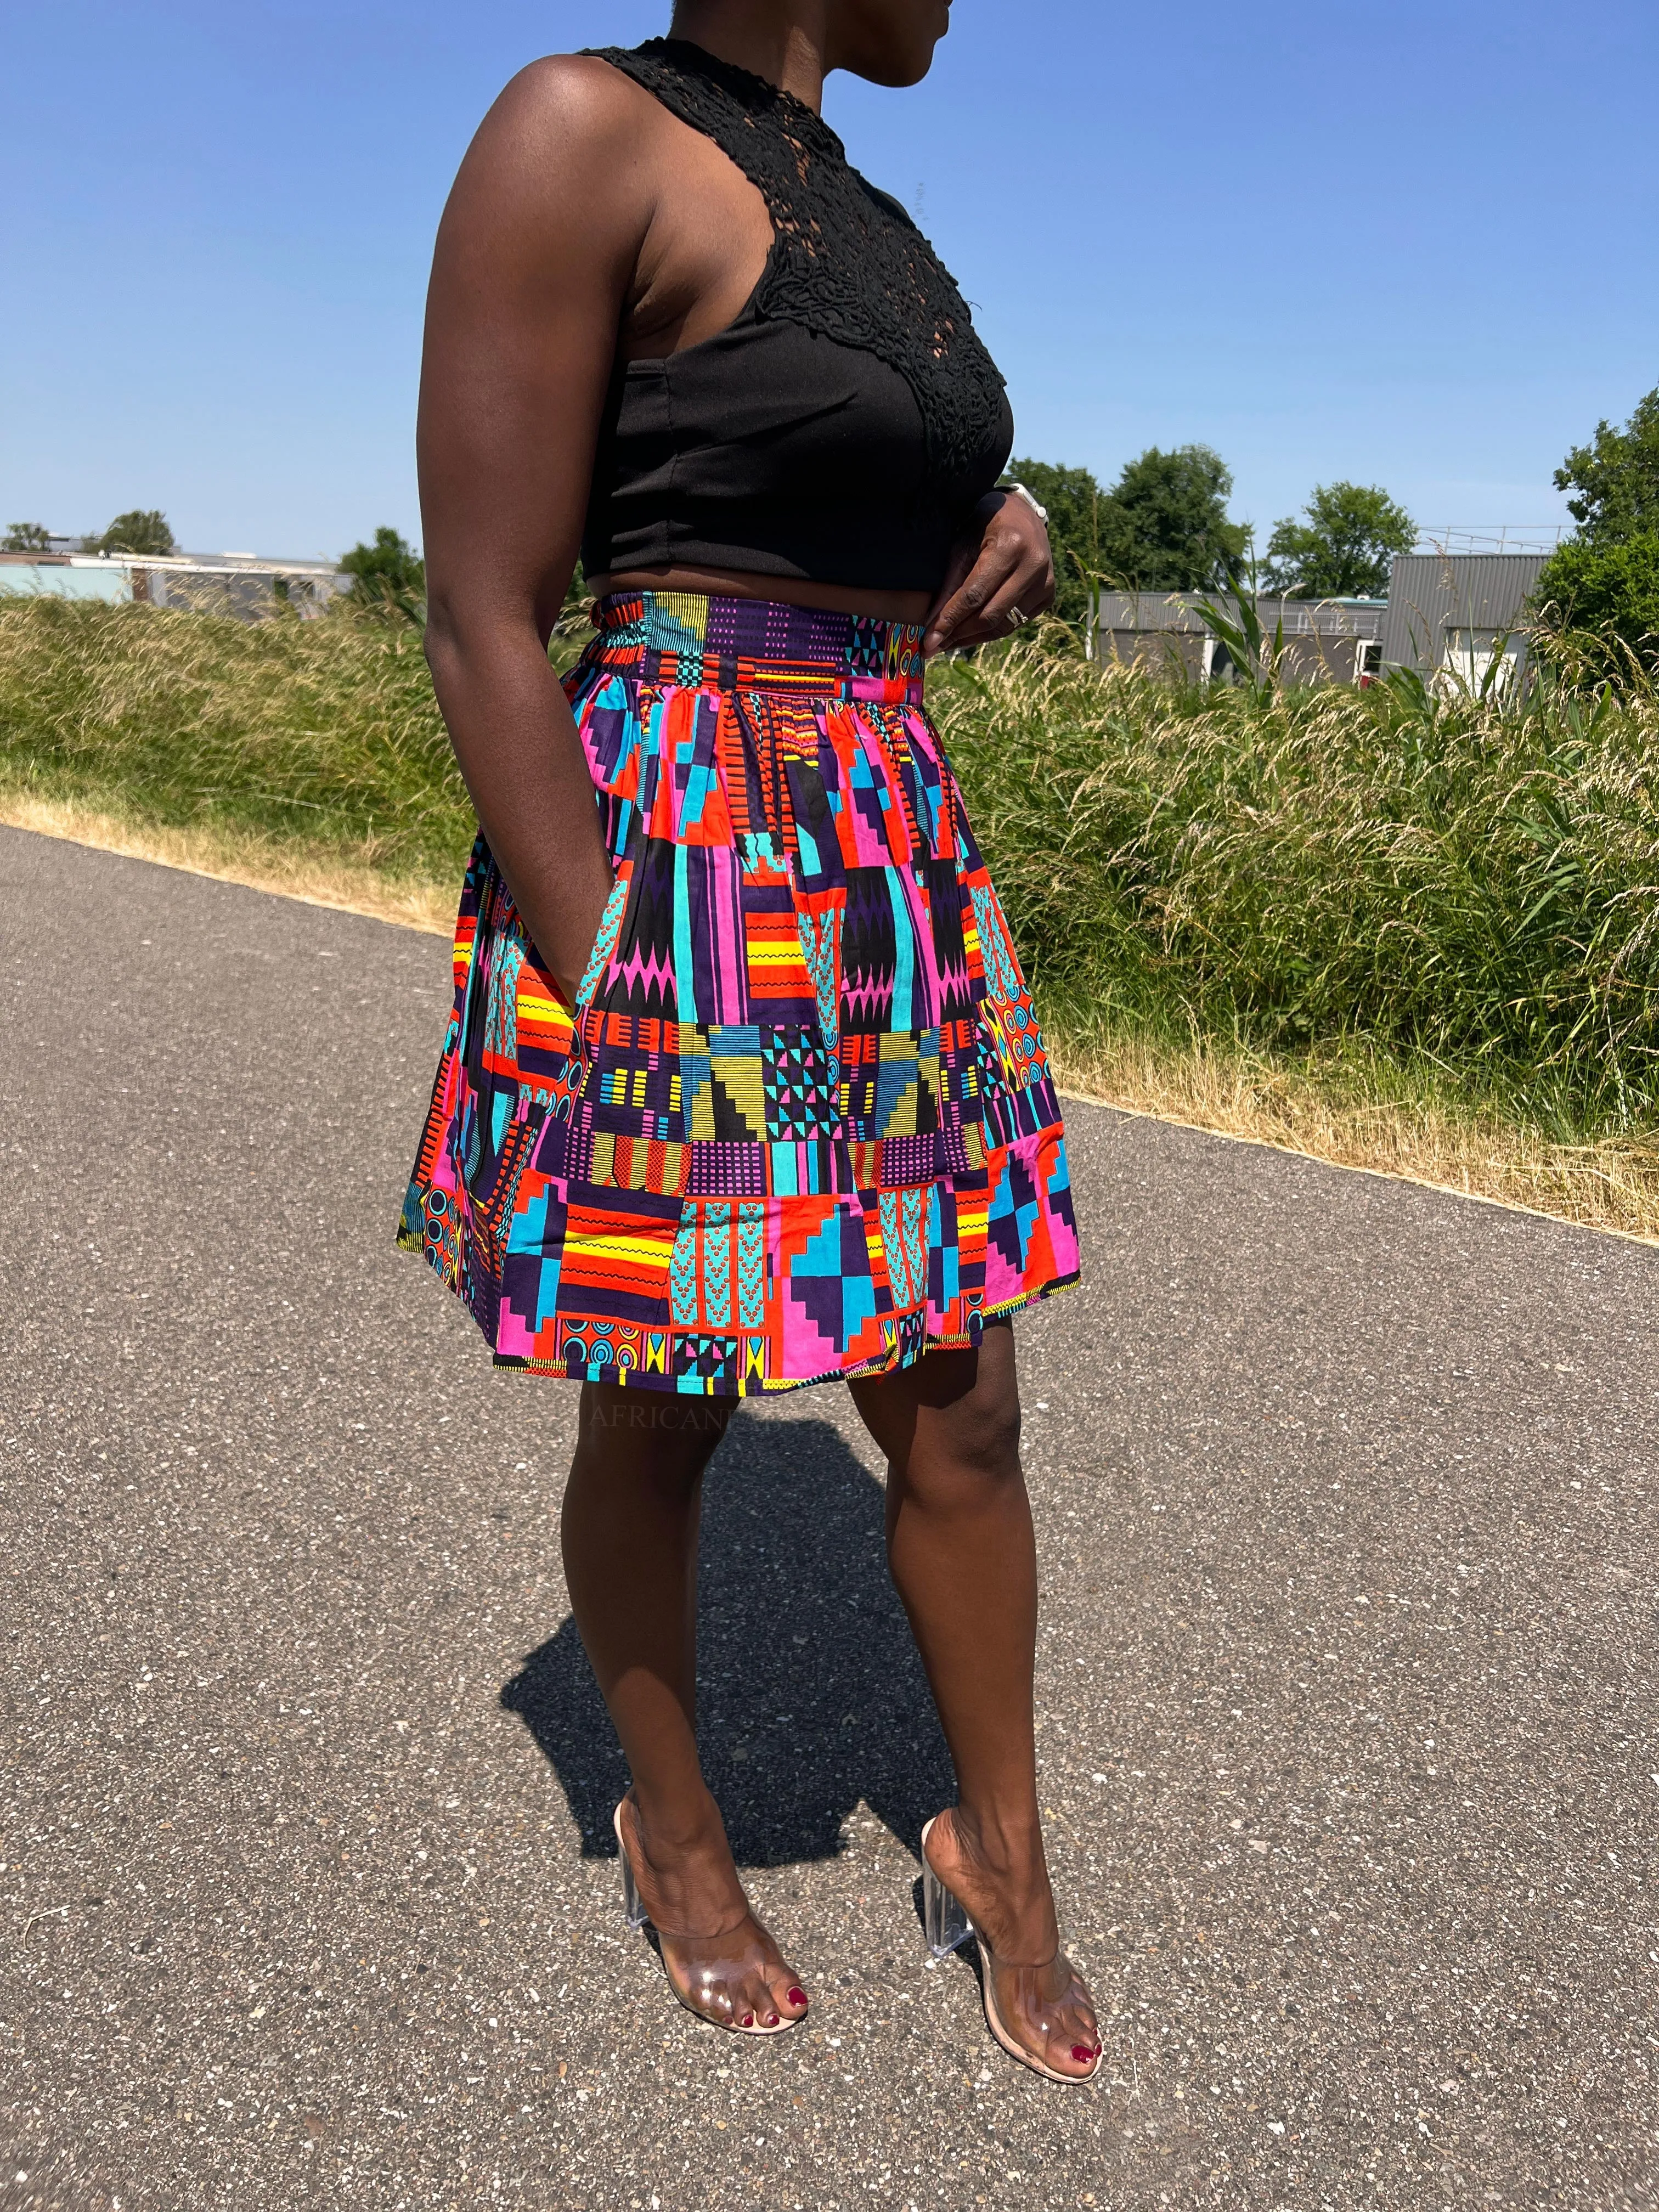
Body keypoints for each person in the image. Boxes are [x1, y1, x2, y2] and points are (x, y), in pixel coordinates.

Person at [401, 0, 1098, 2083]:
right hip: (686, 851)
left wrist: (1008, 516)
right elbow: (485, 605)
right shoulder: (578, 127)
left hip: (881, 842)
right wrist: (605, 973)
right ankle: (676, 1833)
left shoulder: (855, 203)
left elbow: (850, 454)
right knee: (668, 1397)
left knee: (958, 1398)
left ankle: (1007, 1856)